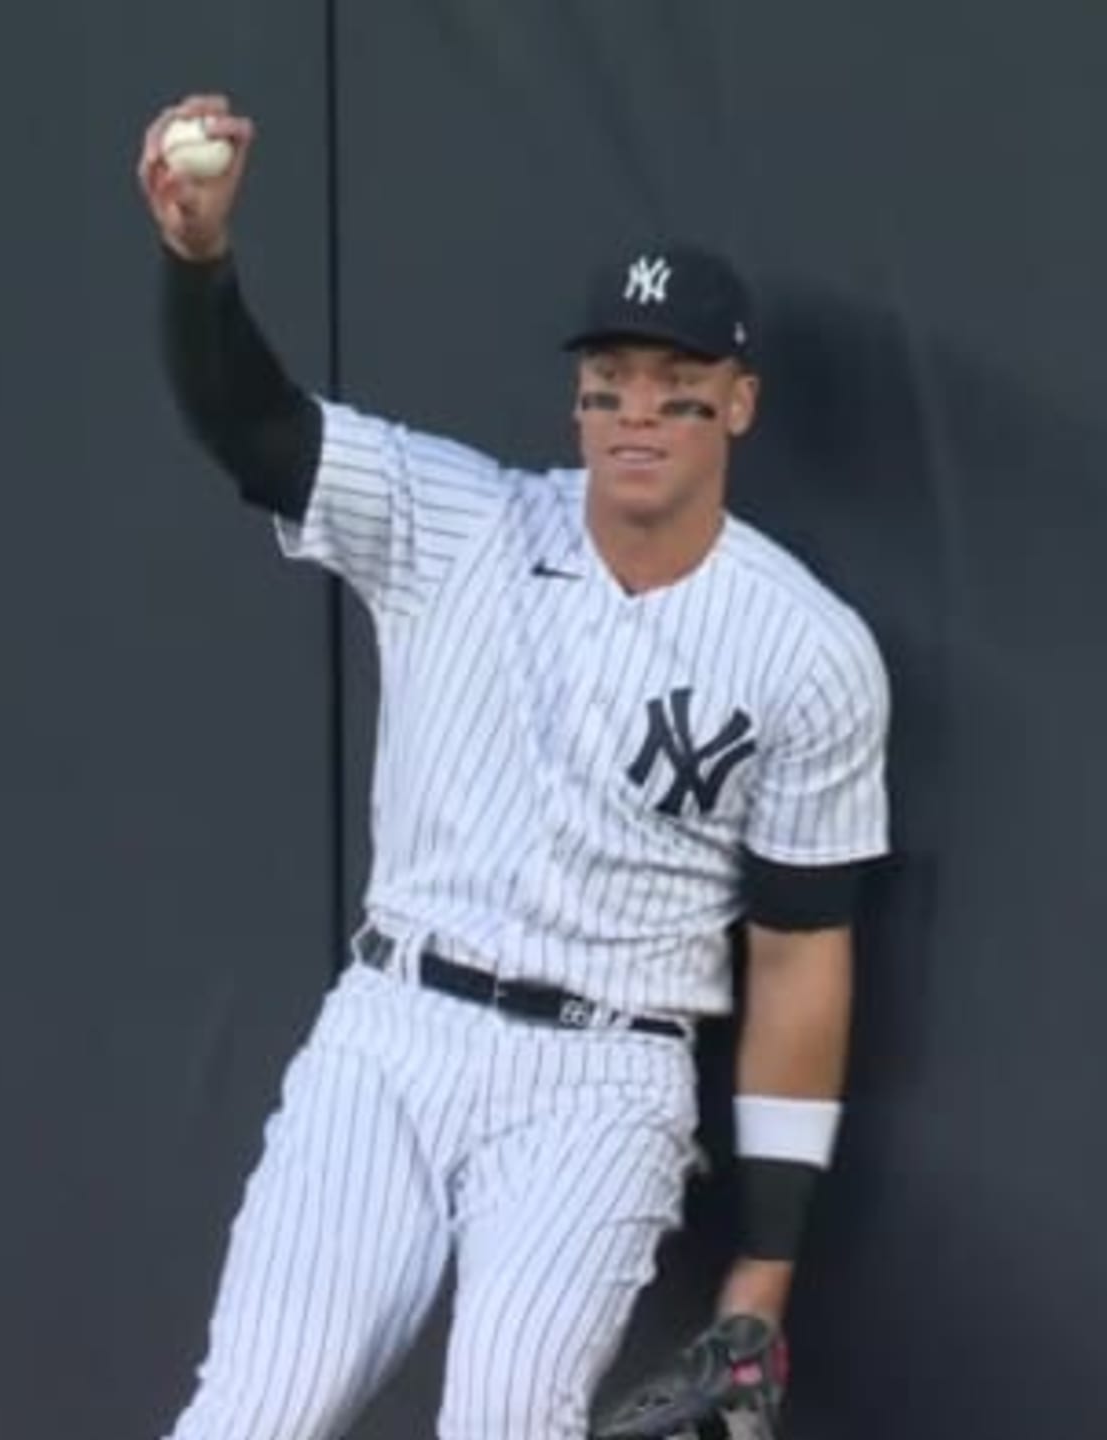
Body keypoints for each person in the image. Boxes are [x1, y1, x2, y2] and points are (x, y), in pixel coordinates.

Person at [133, 92, 892, 1440]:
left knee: (504, 1423)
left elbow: (800, 955)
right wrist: (199, 263)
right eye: (611, 384)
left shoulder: (808, 650)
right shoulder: (459, 520)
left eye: (677, 387)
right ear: (579, 396)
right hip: (394, 1031)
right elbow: (252, 427)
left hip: (603, 1081)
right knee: (250, 1413)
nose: (637, 413)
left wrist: (760, 1280)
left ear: (740, 402)